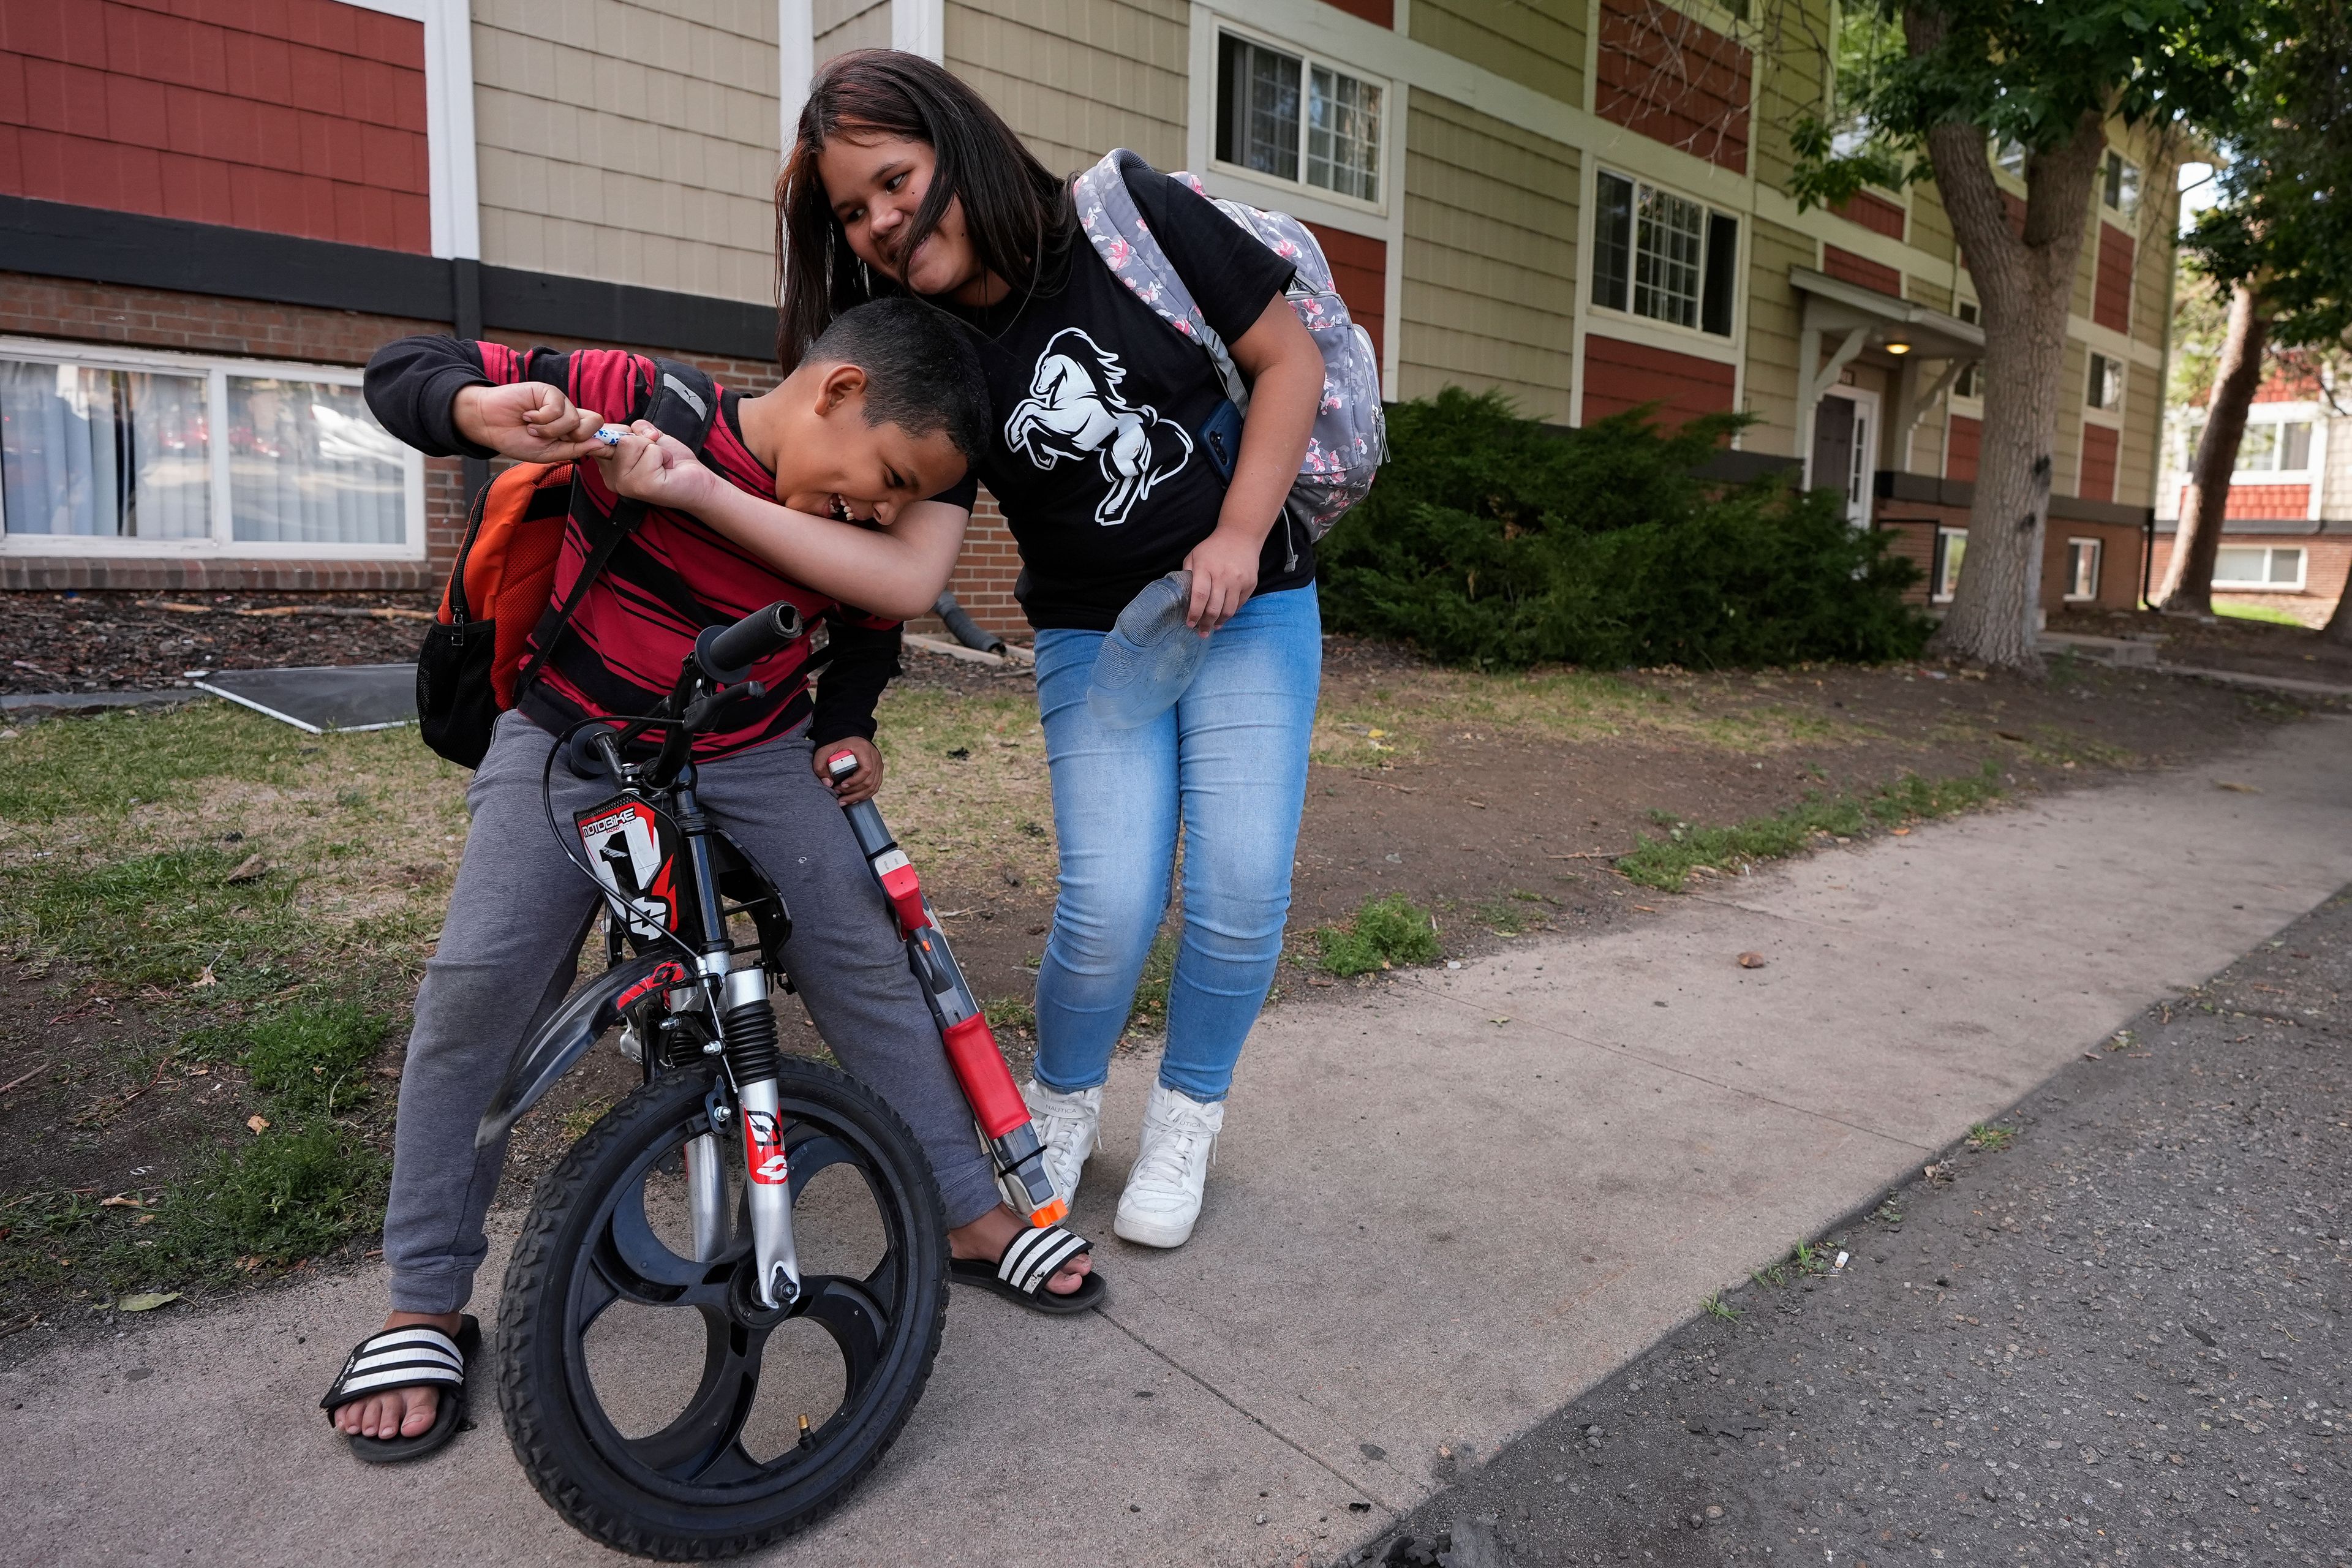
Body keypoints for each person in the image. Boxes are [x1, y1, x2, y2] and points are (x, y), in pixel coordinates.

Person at [323, 299, 1100, 1463]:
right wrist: (485, 409)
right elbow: (406, 367)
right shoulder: (647, 398)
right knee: (479, 987)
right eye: (884, 478)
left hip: (754, 748)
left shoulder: (850, 513)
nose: (881, 511)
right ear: (835, 391)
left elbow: (868, 623)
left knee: (864, 954)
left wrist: (845, 719)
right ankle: (422, 1301)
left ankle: (966, 1209)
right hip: (572, 736)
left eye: (900, 504)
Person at [637, 50, 1327, 1251]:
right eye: (855, 212)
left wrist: (1237, 531)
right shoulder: (934, 346)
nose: (884, 224)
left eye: (895, 182)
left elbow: (1290, 361)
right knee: (1109, 902)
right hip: (1092, 633)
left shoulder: (1128, 217)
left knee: (1236, 891)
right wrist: (724, 525)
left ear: (956, 141)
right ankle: (1060, 1102)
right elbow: (908, 567)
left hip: (1251, 602)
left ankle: (1188, 1114)